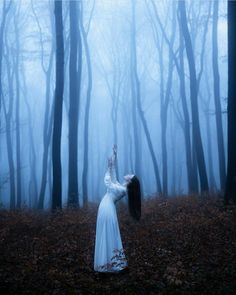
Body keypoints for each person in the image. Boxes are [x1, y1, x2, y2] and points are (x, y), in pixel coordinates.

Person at [94, 145, 141, 273]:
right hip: (106, 207)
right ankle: (107, 263)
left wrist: (109, 167)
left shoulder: (123, 189)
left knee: (108, 234)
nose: (129, 174)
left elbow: (108, 182)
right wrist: (114, 156)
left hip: (107, 208)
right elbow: (113, 178)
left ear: (130, 181)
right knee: (106, 233)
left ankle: (109, 264)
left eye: (131, 175)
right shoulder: (121, 186)